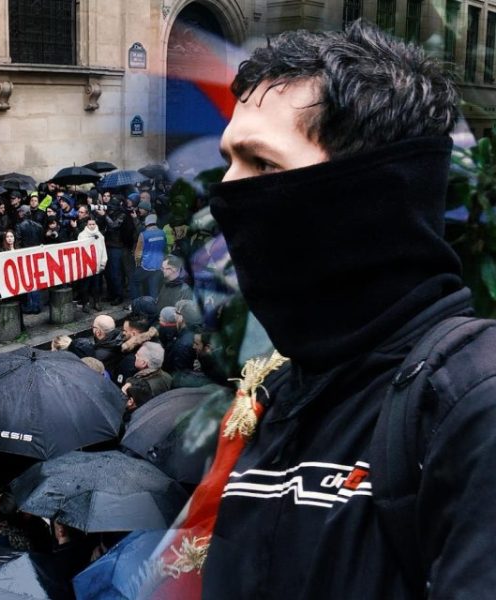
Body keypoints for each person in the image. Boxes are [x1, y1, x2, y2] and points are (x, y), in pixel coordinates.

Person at [168, 22, 496, 599]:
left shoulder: (473, 403)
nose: (225, 197)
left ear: (370, 193)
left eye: (261, 165)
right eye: (228, 161)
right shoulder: (277, 397)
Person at [131, 214, 166, 300]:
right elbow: (164, 248)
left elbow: (138, 252)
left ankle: (136, 303)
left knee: (134, 281)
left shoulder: (144, 234)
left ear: (146, 223)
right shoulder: (162, 233)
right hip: (158, 264)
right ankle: (153, 307)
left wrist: (138, 264)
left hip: (146, 265)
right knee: (153, 288)